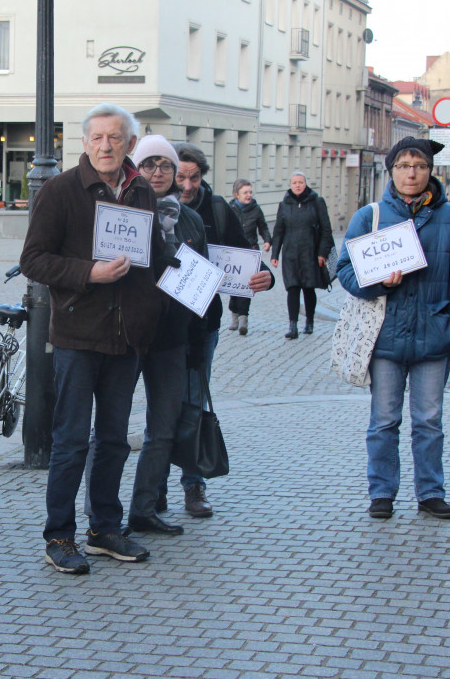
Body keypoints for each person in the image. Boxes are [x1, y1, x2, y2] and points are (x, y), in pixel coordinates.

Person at [20, 104, 167, 574]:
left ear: (129, 143)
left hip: (127, 337)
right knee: (70, 440)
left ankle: (104, 528)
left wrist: (231, 279)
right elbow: (34, 260)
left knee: (113, 439)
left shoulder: (141, 189)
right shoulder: (62, 189)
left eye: (115, 138)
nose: (106, 146)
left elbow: (159, 257)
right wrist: (90, 273)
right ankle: (58, 535)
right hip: (79, 334)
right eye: (97, 138)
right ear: (84, 143)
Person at [337, 137, 450, 521]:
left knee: (429, 422)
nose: (411, 172)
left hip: (435, 337)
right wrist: (378, 283)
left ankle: (431, 492)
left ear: (430, 171)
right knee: (384, 420)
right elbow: (346, 271)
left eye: (419, 165)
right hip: (385, 338)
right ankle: (382, 493)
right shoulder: (370, 216)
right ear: (392, 171)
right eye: (403, 165)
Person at [172, 142, 274, 518]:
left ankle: (193, 484)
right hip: (156, 326)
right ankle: (151, 489)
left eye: (194, 177)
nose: (186, 184)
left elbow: (245, 258)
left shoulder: (217, 209)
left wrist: (266, 278)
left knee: (194, 403)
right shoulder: (152, 206)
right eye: (180, 176)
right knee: (161, 406)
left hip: (203, 325)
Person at [125, 134, 206, 536]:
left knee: (162, 429)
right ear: (136, 168)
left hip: (171, 339)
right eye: (148, 164)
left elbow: (203, 280)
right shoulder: (121, 209)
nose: (157, 172)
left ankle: (144, 510)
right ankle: (100, 515)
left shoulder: (190, 219)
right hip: (124, 337)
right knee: (109, 431)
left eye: (166, 166)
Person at [270, 171, 334, 339]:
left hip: (310, 253)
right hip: (290, 254)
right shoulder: (284, 204)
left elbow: (326, 230)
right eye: (294, 183)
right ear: (290, 185)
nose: (297, 185)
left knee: (308, 288)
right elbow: (278, 231)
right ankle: (293, 326)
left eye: (300, 182)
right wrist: (275, 254)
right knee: (292, 288)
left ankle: (310, 321)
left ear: (305, 184)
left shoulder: (316, 202)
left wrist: (322, 253)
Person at [228, 178, 272, 335]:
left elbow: (263, 227)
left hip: (250, 251)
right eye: (245, 192)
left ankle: (243, 319)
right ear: (236, 194)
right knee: (234, 287)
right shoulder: (229, 208)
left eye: (250, 192)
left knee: (247, 286)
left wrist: (267, 240)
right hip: (233, 252)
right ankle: (234, 315)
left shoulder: (256, 209)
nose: (248, 195)